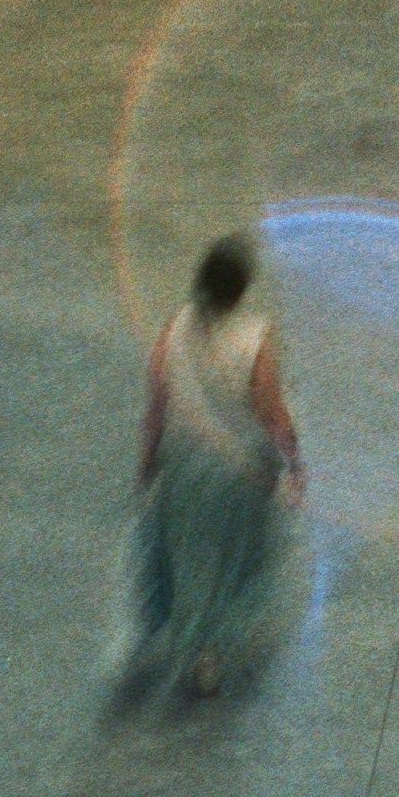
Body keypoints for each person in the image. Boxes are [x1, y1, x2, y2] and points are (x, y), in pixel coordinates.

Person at [128, 232, 303, 703]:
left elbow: (156, 409)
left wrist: (147, 463)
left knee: (191, 563)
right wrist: (295, 463)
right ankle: (211, 651)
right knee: (233, 564)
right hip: (239, 479)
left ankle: (184, 638)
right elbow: (273, 415)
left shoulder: (174, 331)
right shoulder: (255, 338)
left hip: (185, 474)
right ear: (242, 291)